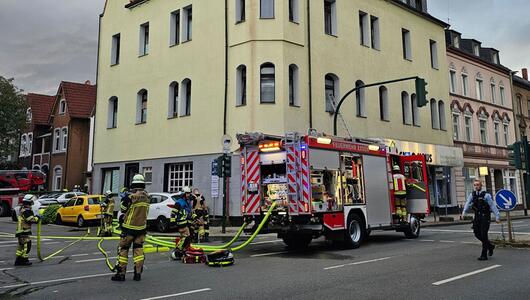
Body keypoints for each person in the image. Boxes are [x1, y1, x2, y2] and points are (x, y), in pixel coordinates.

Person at [112, 174, 149, 281]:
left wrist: (125, 196)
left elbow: (123, 209)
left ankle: (121, 274)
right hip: (141, 229)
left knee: (123, 250)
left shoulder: (129, 197)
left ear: (133, 185)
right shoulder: (147, 197)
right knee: (138, 251)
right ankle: (137, 274)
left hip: (128, 229)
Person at [462, 180, 501, 261]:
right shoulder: (472, 195)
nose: (476, 186)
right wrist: (464, 213)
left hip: (485, 217)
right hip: (477, 217)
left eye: (478, 185)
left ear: (481, 186)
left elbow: (492, 206)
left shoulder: (486, 195)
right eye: (475, 185)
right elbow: (467, 203)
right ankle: (490, 246)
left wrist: (497, 216)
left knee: (484, 234)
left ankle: (484, 255)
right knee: (476, 233)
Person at [171, 188, 198, 259]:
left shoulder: (187, 203)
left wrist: (195, 217)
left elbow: (190, 213)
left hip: (187, 223)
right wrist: (173, 221)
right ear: (184, 194)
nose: (189, 195)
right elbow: (173, 213)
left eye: (189, 193)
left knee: (189, 236)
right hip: (181, 223)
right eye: (187, 193)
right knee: (186, 236)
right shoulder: (179, 202)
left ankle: (183, 250)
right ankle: (178, 250)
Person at [15, 195, 40, 266]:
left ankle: (18, 261)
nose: (32, 205)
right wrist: (37, 218)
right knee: (27, 246)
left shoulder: (24, 209)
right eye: (31, 203)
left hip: (22, 231)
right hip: (23, 231)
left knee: (21, 247)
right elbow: (30, 220)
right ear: (29, 203)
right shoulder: (25, 211)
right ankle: (24, 260)